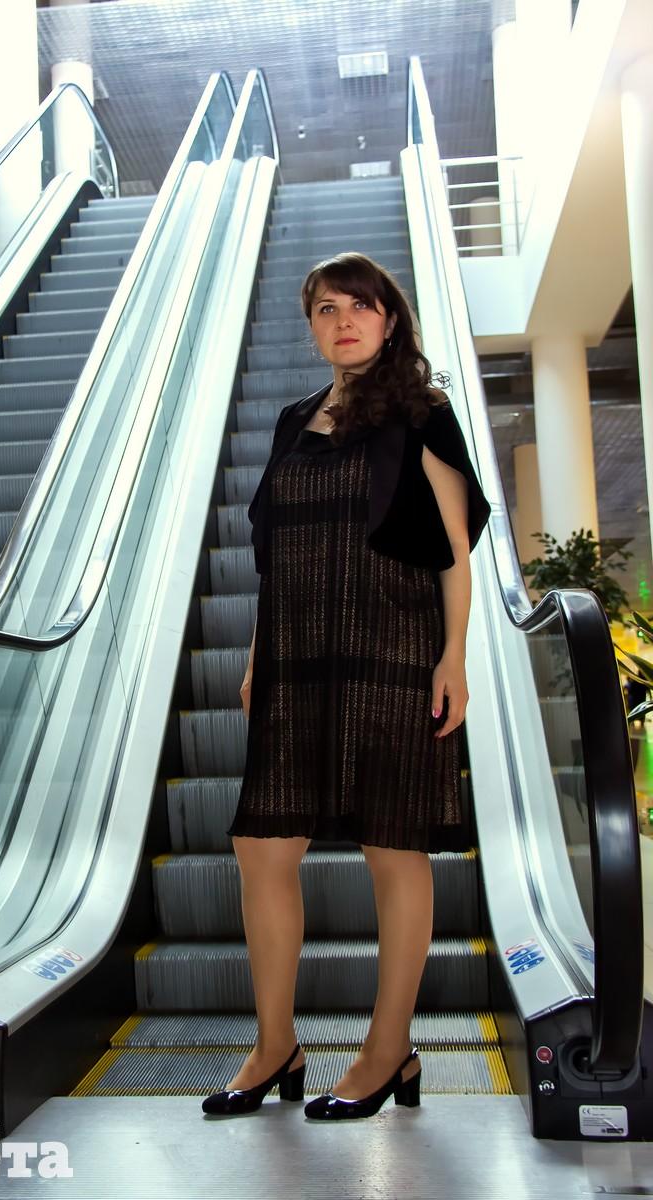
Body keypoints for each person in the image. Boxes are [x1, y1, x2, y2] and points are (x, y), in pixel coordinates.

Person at [201, 252, 491, 1121]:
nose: (344, 321)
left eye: (360, 306)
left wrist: (454, 658)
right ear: (313, 328)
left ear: (389, 319)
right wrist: (259, 657)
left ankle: (388, 1048)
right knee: (262, 847)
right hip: (297, 659)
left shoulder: (421, 413)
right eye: (326, 309)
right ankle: (275, 1045)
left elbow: (453, 552)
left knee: (393, 848)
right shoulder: (294, 422)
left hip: (392, 653)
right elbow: (275, 560)